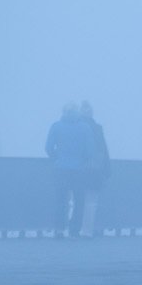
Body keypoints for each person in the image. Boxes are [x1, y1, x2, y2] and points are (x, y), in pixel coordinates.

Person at [45, 102, 102, 237]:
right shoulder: (85, 128)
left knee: (61, 199)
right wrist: (82, 161)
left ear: (63, 112)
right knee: (79, 200)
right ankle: (74, 229)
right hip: (79, 170)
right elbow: (90, 151)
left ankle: (59, 228)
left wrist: (57, 159)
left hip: (61, 169)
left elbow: (48, 148)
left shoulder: (56, 126)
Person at [78, 100, 112, 235]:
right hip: (94, 169)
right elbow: (104, 149)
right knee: (91, 201)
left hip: (78, 168)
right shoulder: (97, 128)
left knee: (76, 199)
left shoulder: (76, 127)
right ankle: (87, 230)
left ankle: (74, 229)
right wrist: (107, 168)